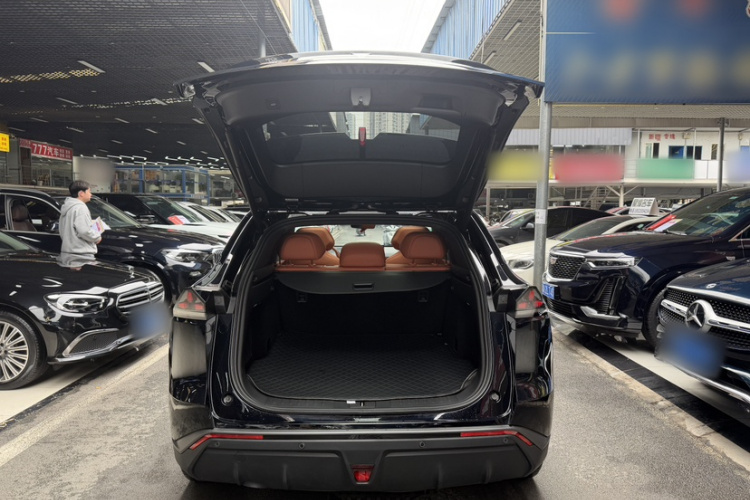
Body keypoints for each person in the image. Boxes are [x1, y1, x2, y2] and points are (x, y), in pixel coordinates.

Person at [59, 180, 102, 262]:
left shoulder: (67, 207)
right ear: (81, 193)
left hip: (68, 252)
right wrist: (97, 237)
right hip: (82, 254)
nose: (91, 194)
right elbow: (84, 231)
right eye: (89, 191)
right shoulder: (81, 208)